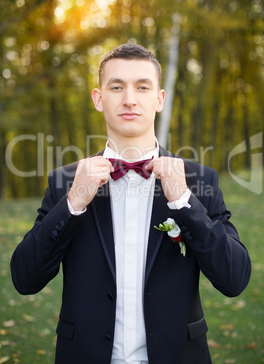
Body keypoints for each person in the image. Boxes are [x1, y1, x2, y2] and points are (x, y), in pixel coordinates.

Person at [10, 43, 251, 364]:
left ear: (159, 99)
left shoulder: (198, 180)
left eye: (142, 87)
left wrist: (184, 202)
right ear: (98, 99)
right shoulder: (66, 181)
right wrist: (71, 204)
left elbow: (234, 279)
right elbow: (25, 279)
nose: (129, 99)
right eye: (116, 87)